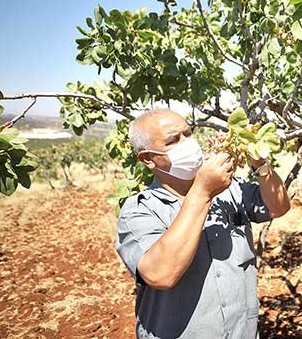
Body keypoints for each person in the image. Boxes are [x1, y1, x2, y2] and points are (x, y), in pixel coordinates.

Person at [115, 108, 290, 339]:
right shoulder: (138, 210)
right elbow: (160, 274)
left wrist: (259, 163)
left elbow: (279, 207)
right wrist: (203, 191)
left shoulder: (231, 188)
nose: (188, 143)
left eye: (188, 133)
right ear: (148, 159)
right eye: (173, 140)